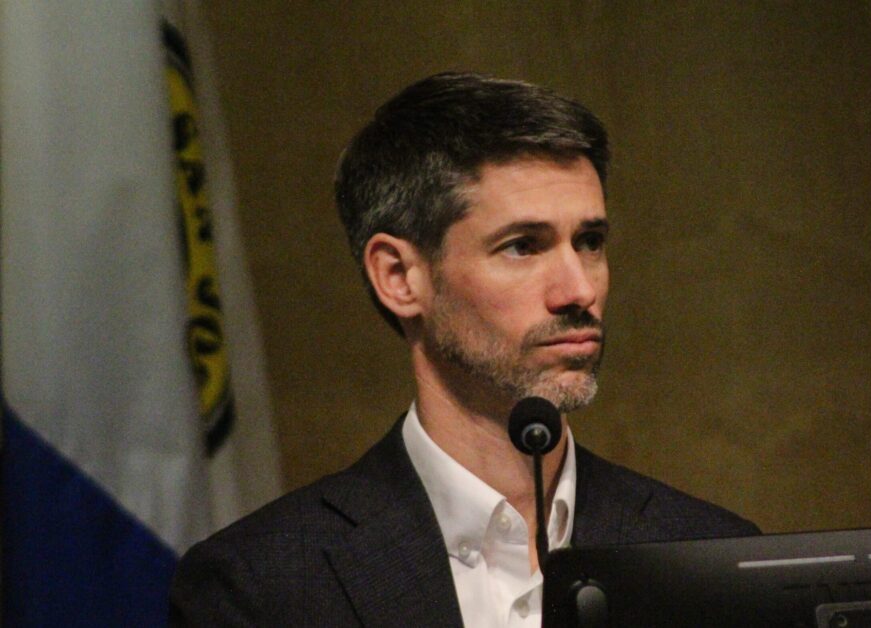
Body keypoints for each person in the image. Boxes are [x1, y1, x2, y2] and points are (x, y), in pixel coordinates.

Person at [170, 72, 758, 627]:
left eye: (591, 241)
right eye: (523, 246)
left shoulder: (717, 558)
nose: (580, 289)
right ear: (400, 276)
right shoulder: (261, 586)